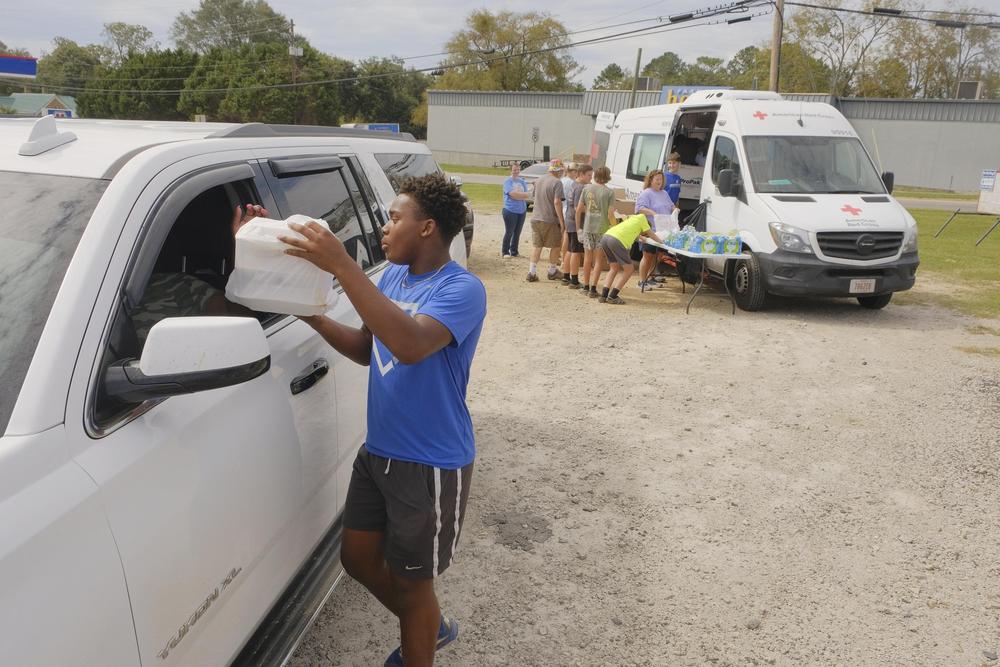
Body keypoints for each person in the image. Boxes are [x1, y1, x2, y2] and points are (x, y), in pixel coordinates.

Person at [279, 173, 487, 667]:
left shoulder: (462, 288)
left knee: (415, 587)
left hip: (430, 462)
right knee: (357, 559)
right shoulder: (392, 277)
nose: (383, 229)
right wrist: (313, 318)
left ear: (428, 228)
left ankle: (422, 630)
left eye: (394, 218)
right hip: (380, 452)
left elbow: (411, 346)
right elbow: (368, 348)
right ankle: (429, 624)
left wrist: (342, 265)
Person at [599, 213, 663, 305]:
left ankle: (603, 295)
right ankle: (613, 296)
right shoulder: (642, 219)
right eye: (643, 232)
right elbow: (651, 234)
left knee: (613, 268)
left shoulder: (633, 220)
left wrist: (642, 237)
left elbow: (635, 234)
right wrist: (662, 242)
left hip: (606, 237)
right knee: (629, 269)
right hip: (616, 240)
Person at [578, 166, 616, 298]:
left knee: (587, 259)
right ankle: (594, 288)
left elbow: (579, 209)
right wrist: (615, 226)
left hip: (588, 227)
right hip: (602, 228)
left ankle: (585, 285)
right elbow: (610, 213)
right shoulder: (609, 192)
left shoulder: (586, 188)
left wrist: (578, 228)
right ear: (608, 176)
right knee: (598, 260)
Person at [526, 159, 565, 282]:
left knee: (537, 246)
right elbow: (557, 202)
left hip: (536, 217)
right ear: (559, 170)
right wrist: (561, 221)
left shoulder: (539, 180)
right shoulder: (557, 182)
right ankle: (552, 271)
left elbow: (533, 197)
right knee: (556, 245)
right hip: (550, 219)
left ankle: (531, 272)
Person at [634, 169, 674, 290]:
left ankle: (650, 278)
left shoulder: (664, 193)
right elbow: (639, 208)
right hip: (650, 230)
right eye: (657, 179)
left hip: (663, 231)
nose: (659, 182)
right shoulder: (646, 193)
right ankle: (641, 281)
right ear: (650, 180)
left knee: (658, 256)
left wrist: (675, 209)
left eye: (661, 179)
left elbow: (671, 205)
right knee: (647, 256)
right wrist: (652, 212)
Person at [560, 163, 592, 288]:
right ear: (581, 174)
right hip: (575, 222)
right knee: (576, 252)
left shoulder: (575, 184)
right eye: (589, 175)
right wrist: (593, 209)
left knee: (570, 249)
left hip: (569, 219)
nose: (591, 177)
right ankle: (573, 280)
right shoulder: (579, 188)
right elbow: (579, 208)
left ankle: (566, 276)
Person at [501, 163, 530, 258]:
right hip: (510, 210)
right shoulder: (507, 182)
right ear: (511, 170)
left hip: (521, 211)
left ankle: (514, 251)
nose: (516, 172)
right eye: (514, 170)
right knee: (509, 231)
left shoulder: (522, 181)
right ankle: (505, 251)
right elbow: (512, 194)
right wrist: (520, 195)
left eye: (518, 170)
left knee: (517, 232)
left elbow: (527, 194)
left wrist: (518, 195)